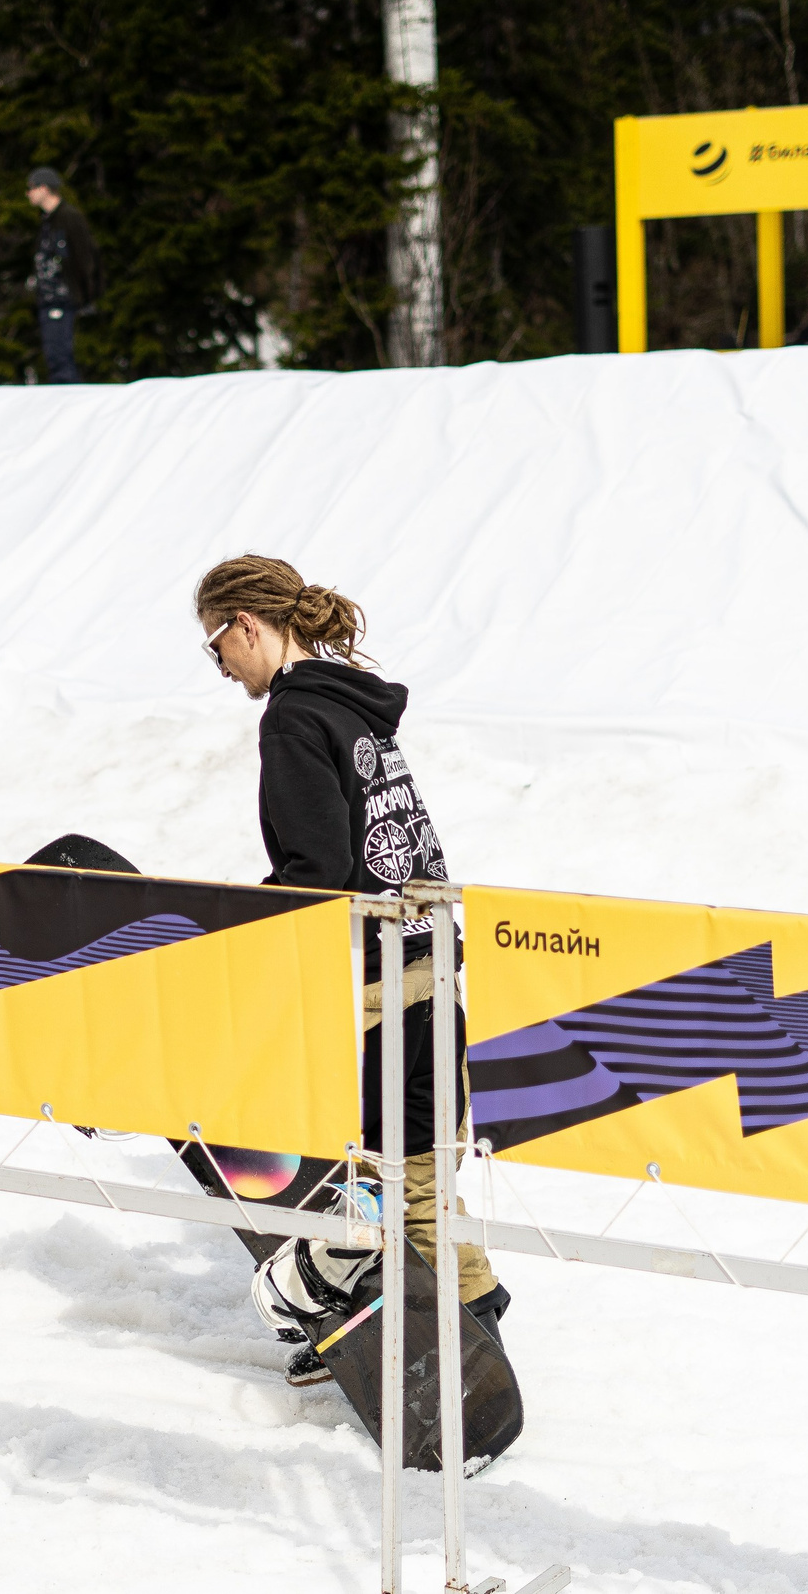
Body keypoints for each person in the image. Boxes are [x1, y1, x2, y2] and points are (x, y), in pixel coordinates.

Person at [193, 554, 509, 1384]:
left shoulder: (295, 719)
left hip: (376, 981)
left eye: (215, 644)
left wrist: (238, 944)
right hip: (434, 960)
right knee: (423, 1169)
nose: (220, 664)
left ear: (248, 626)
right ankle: (473, 1315)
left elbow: (318, 869)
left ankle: (352, 1318)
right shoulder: (355, 708)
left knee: (371, 1180)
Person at [25, 166, 97, 384]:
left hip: (62, 297)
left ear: (44, 188)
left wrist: (86, 296)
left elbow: (85, 257)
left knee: (60, 356)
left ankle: (68, 401)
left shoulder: (68, 217)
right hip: (49, 298)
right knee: (54, 355)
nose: (28, 194)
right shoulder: (48, 220)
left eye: (32, 188)